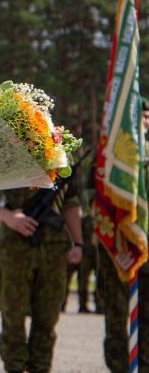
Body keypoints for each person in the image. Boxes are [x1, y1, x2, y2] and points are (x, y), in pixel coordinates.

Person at [0, 181, 83, 373]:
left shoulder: (65, 154)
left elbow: (71, 202)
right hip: (14, 247)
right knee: (13, 319)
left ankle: (41, 367)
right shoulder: (4, 152)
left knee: (47, 320)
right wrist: (8, 217)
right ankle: (15, 367)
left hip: (54, 248)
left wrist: (78, 243)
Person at [98, 96, 149, 371]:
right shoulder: (111, 157)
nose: (142, 121)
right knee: (119, 327)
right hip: (117, 253)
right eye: (138, 116)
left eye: (146, 116)